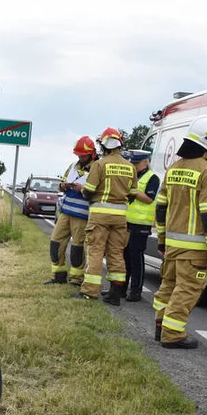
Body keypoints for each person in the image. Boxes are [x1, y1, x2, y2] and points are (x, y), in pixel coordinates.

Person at [152, 116, 207, 349]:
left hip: (173, 244)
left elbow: (161, 208)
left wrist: (162, 240)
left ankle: (160, 326)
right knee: (187, 290)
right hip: (195, 249)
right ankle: (172, 334)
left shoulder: (173, 168)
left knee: (168, 286)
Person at [73, 127, 136, 305]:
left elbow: (89, 191)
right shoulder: (130, 167)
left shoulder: (100, 165)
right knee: (116, 253)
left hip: (99, 216)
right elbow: (132, 194)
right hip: (120, 217)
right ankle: (115, 293)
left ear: (104, 145)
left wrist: (85, 191)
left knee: (95, 252)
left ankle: (89, 292)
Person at [43, 136, 96, 286]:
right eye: (78, 154)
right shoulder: (73, 166)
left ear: (92, 154)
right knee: (55, 242)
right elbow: (61, 183)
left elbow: (98, 190)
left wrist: (83, 189)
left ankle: (77, 279)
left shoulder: (97, 168)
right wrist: (63, 186)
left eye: (83, 155)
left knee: (77, 248)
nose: (80, 157)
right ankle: (58, 275)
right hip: (66, 212)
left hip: (83, 214)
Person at [123, 149, 160, 302]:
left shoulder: (153, 178)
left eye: (137, 163)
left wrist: (133, 191)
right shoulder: (133, 175)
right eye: (132, 163)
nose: (134, 166)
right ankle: (120, 289)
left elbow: (149, 199)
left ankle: (136, 291)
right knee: (124, 257)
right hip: (127, 221)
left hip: (141, 224)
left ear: (146, 162)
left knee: (136, 258)